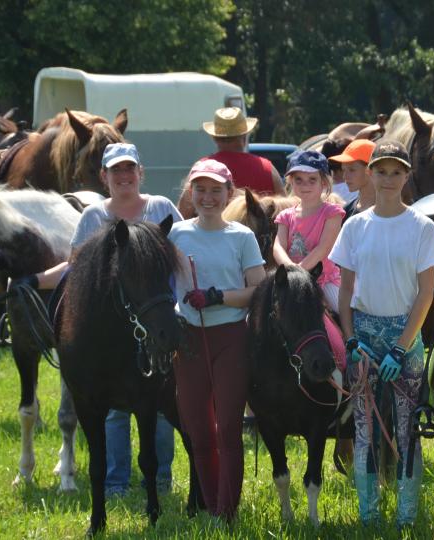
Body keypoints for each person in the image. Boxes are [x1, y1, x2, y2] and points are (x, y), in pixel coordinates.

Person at [17, 142, 181, 497]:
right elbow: (75, 267)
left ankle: (162, 480)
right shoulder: (93, 216)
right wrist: (34, 280)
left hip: (155, 324)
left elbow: (183, 255)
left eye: (129, 169)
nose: (123, 176)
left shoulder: (161, 208)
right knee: (114, 411)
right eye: (116, 171)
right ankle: (116, 482)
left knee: (161, 404)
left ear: (141, 173)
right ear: (104, 176)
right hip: (111, 331)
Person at [329, 140, 434, 527]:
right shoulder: (354, 227)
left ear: (406, 176)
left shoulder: (421, 227)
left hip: (404, 335)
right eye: (381, 171)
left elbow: (427, 293)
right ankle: (369, 517)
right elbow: (345, 290)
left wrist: (401, 347)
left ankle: (407, 518)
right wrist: (350, 340)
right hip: (364, 333)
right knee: (365, 429)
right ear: (370, 174)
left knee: (407, 430)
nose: (388, 178)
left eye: (396, 172)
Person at [169, 158, 266, 521]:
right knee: (198, 429)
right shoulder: (176, 234)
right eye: (201, 190)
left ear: (229, 194)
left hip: (230, 337)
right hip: (189, 339)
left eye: (215, 191)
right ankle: (212, 506)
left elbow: (256, 289)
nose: (207, 197)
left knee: (227, 426)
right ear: (190, 192)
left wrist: (216, 296)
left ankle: (228, 510)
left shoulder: (241, 236)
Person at [272, 150, 345, 311]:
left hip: (324, 280)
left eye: (312, 180)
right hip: (291, 278)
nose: (305, 185)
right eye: (299, 180)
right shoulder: (285, 216)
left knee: (343, 309)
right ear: (291, 181)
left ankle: (349, 336)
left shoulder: (332, 213)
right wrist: (291, 270)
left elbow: (323, 248)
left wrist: (298, 272)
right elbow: (278, 247)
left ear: (324, 182)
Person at [203, 107, 285, 196]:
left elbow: (186, 207)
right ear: (245, 136)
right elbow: (286, 206)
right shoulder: (267, 168)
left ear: (214, 138)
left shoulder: (202, 168)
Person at [330, 139, 376, 222]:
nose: (345, 176)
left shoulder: (392, 211)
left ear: (370, 170)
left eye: (352, 170)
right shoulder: (346, 211)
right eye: (343, 170)